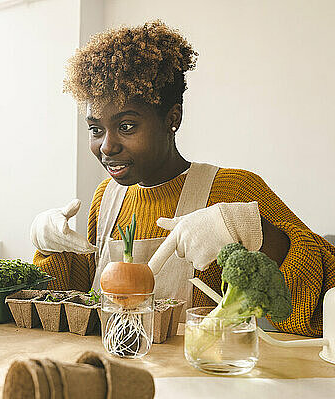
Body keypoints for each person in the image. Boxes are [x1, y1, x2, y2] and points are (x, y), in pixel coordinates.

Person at [30, 20, 335, 337]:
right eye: (96, 129)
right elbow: (79, 306)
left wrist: (255, 233)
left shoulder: (234, 189)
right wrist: (49, 247)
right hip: (126, 375)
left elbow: (328, 295)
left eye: (127, 126)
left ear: (172, 119)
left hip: (205, 378)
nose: (106, 145)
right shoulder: (104, 198)